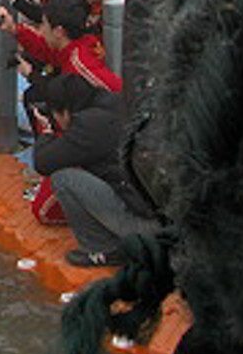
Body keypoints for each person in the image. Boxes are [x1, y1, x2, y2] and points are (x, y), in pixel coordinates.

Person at [31, 74, 157, 266]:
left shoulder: (90, 125)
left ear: (64, 111)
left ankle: (102, 249)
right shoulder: (118, 102)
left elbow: (43, 163)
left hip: (150, 230)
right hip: (176, 221)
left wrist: (46, 132)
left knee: (63, 179)